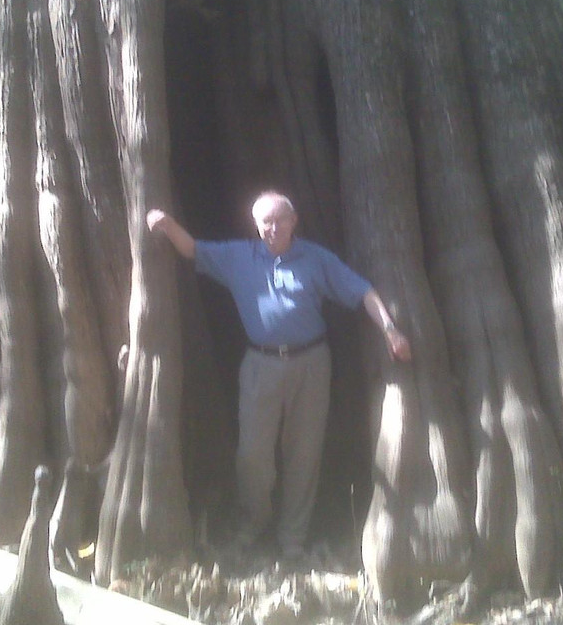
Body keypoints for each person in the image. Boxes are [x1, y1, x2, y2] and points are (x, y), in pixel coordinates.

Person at [146, 191, 411, 561]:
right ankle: (255, 522)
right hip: (260, 365)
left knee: (305, 451)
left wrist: (390, 330)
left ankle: (292, 540)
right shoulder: (238, 256)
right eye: (264, 222)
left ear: (293, 221)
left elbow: (362, 290)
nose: (272, 228)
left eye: (279, 220)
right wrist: (166, 224)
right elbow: (192, 249)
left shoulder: (315, 259)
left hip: (311, 363)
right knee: (252, 455)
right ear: (256, 225)